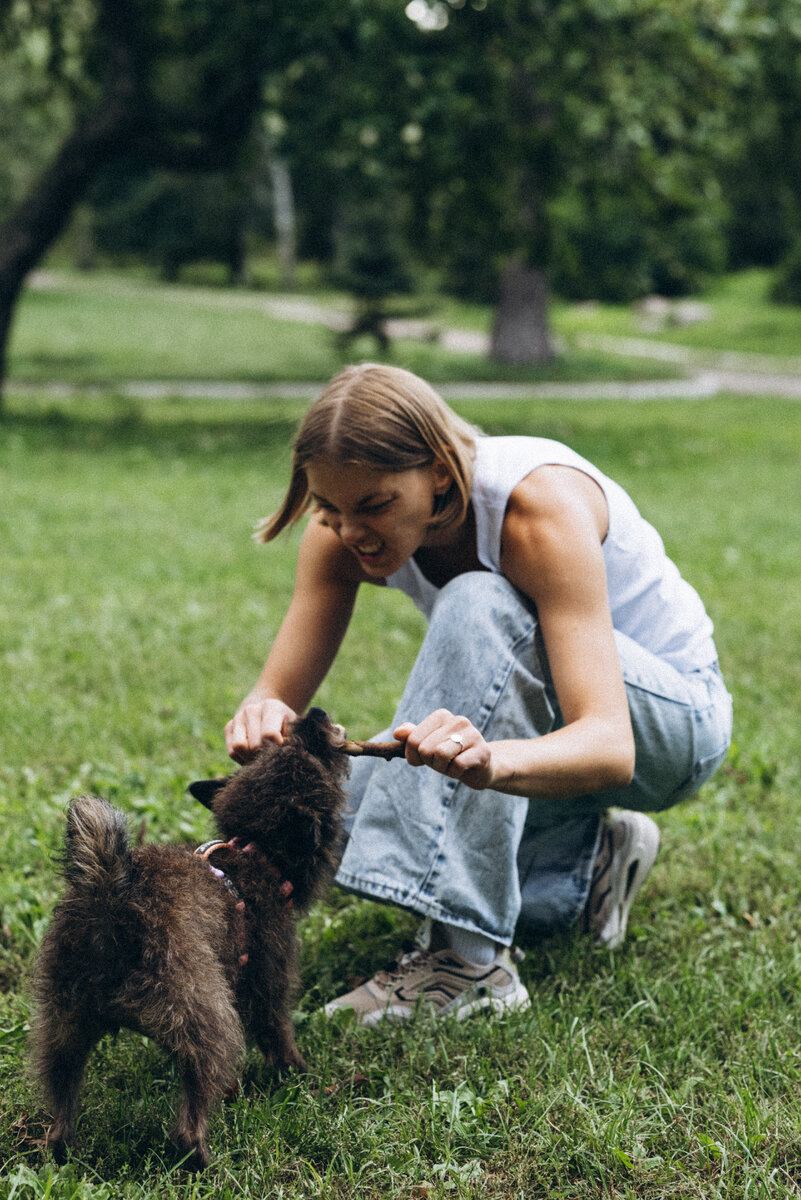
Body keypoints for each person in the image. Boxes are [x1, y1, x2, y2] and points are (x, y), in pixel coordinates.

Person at [225, 363, 732, 1025]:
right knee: (332, 815)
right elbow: (276, 695)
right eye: (329, 508)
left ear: (437, 470)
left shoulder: (533, 509)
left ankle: (468, 964)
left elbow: (610, 745)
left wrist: (489, 764)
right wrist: (261, 715)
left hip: (671, 726)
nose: (349, 531)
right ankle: (583, 872)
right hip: (555, 737)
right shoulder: (342, 529)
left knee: (477, 598)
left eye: (374, 505)